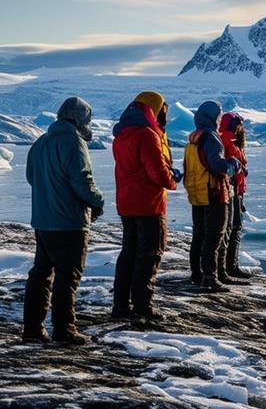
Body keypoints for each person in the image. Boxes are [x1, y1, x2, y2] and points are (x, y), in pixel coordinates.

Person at [23, 97, 104, 345]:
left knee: (40, 275)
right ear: (80, 119)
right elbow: (82, 180)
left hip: (43, 221)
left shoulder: (40, 143)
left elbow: (30, 176)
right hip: (69, 222)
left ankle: (33, 329)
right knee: (67, 277)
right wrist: (97, 201)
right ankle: (64, 329)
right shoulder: (74, 142)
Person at [110, 91, 181, 321]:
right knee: (150, 254)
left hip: (127, 204)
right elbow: (157, 172)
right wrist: (172, 179)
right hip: (150, 205)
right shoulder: (148, 135)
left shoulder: (121, 135)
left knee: (128, 254)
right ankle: (142, 306)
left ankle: (120, 306)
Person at [184, 101, 240, 292]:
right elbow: (218, 166)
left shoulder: (194, 137)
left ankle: (197, 273)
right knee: (214, 236)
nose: (219, 119)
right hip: (213, 192)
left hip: (197, 193)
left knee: (199, 235)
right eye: (218, 115)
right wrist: (233, 164)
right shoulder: (211, 138)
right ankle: (210, 276)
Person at [219, 112, 253, 280]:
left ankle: (229, 265)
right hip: (231, 190)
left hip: (236, 190)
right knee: (232, 229)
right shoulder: (226, 141)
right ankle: (229, 267)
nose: (241, 127)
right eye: (238, 124)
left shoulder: (233, 141)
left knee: (233, 228)